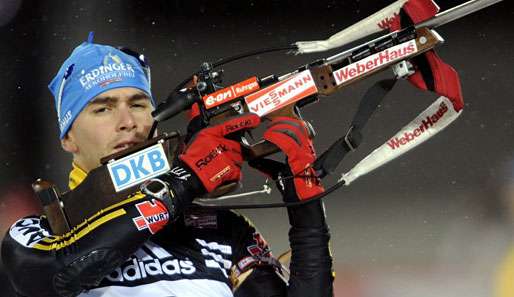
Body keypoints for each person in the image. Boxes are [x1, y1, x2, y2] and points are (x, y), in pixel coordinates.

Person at [1, 35, 333, 297]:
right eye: (102, 109)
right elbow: (58, 275)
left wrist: (305, 206)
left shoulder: (220, 230)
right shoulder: (37, 233)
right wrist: (183, 182)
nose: (127, 121)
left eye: (138, 104)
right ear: (68, 138)